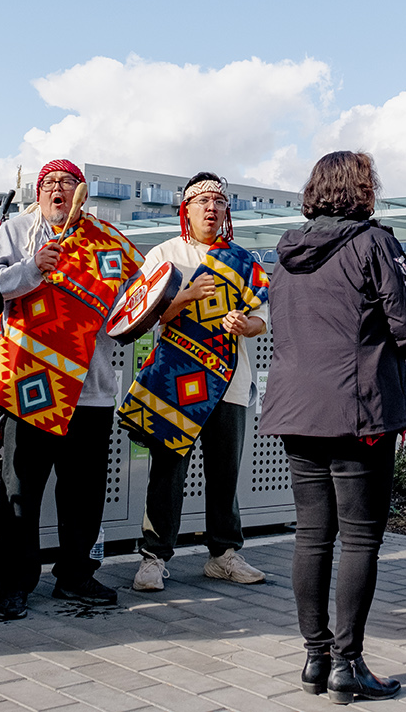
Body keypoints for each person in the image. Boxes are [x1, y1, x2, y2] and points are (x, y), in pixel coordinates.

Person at [261, 151, 406, 703]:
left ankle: (314, 658)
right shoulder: (374, 242)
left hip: (297, 408)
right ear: (362, 189)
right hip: (358, 410)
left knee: (312, 536)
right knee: (359, 537)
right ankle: (347, 664)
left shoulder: (285, 254)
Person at [0, 160, 142, 620]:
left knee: (85, 491)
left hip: (92, 389)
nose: (57, 190)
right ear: (38, 191)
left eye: (67, 184)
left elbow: (135, 301)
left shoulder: (107, 241)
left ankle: (74, 574)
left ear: (82, 193)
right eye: (49, 183)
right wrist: (33, 268)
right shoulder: (16, 229)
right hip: (30, 382)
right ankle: (14, 581)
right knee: (21, 490)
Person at [126, 172, 269, 593]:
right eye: (201, 200)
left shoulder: (245, 260)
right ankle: (154, 557)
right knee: (168, 471)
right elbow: (140, 315)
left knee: (225, 473)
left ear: (227, 212)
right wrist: (184, 296)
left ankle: (223, 554)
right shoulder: (163, 256)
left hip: (230, 380)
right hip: (176, 381)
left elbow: (264, 319)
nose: (211, 207)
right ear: (184, 209)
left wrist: (246, 324)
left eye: (219, 201)